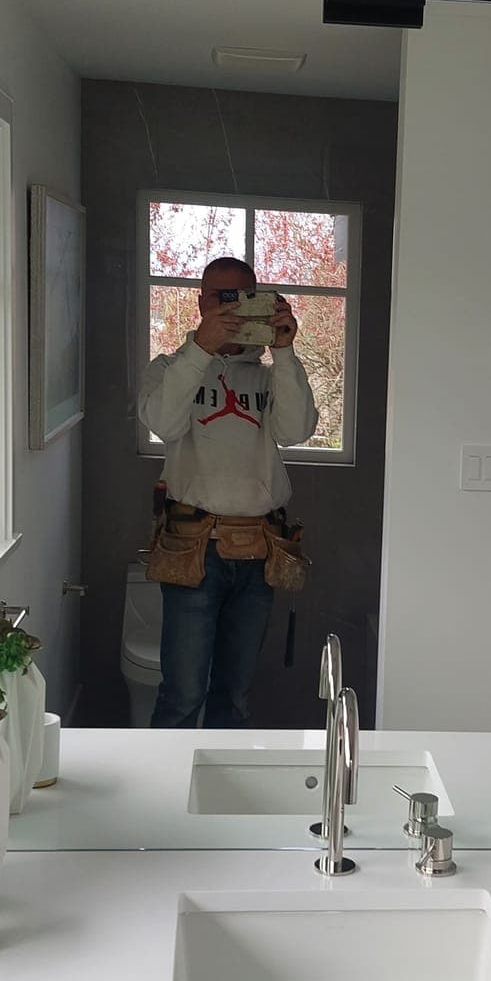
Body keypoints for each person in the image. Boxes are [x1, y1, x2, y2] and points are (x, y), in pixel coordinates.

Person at [138, 256, 318, 727]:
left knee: (235, 695)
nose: (231, 307)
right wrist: (200, 348)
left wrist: (284, 351)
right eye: (220, 297)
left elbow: (297, 430)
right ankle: (163, 797)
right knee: (182, 694)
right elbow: (162, 423)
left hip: (260, 550)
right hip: (193, 547)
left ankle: (221, 798)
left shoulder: (271, 372)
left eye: (242, 296)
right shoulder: (168, 368)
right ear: (200, 302)